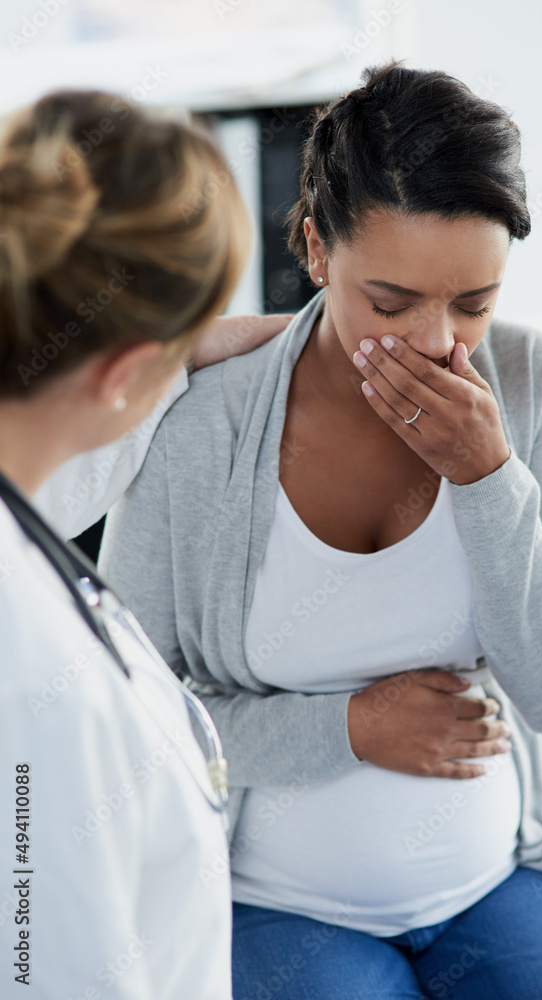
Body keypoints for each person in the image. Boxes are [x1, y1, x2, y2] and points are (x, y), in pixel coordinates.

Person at [99, 63, 542, 999]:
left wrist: (485, 478)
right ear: (316, 250)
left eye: (473, 304)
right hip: (280, 906)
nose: (437, 344)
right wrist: (347, 728)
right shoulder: (202, 425)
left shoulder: (527, 382)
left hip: (499, 881)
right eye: (389, 304)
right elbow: (131, 725)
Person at [0, 89, 286, 999]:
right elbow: (50, 969)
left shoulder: (31, 481)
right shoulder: (37, 688)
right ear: (124, 370)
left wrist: (184, 351)